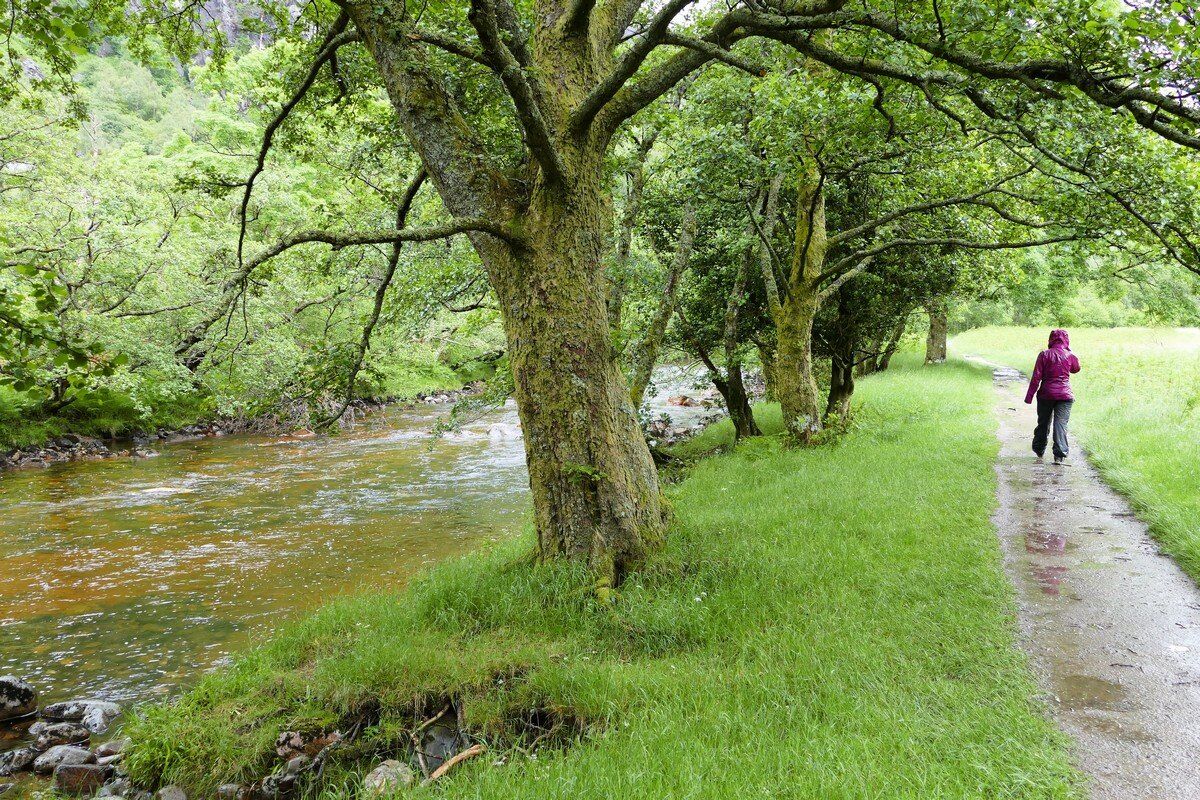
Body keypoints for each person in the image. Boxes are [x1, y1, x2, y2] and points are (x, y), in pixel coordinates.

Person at [1024, 329, 1081, 464]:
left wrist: (1029, 397)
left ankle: (1039, 449)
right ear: (1066, 340)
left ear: (1050, 339)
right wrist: (1069, 351)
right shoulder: (1070, 355)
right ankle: (1059, 455)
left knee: (1043, 422)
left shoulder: (1044, 354)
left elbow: (1036, 377)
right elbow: (1076, 369)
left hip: (1046, 394)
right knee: (1061, 424)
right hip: (1065, 396)